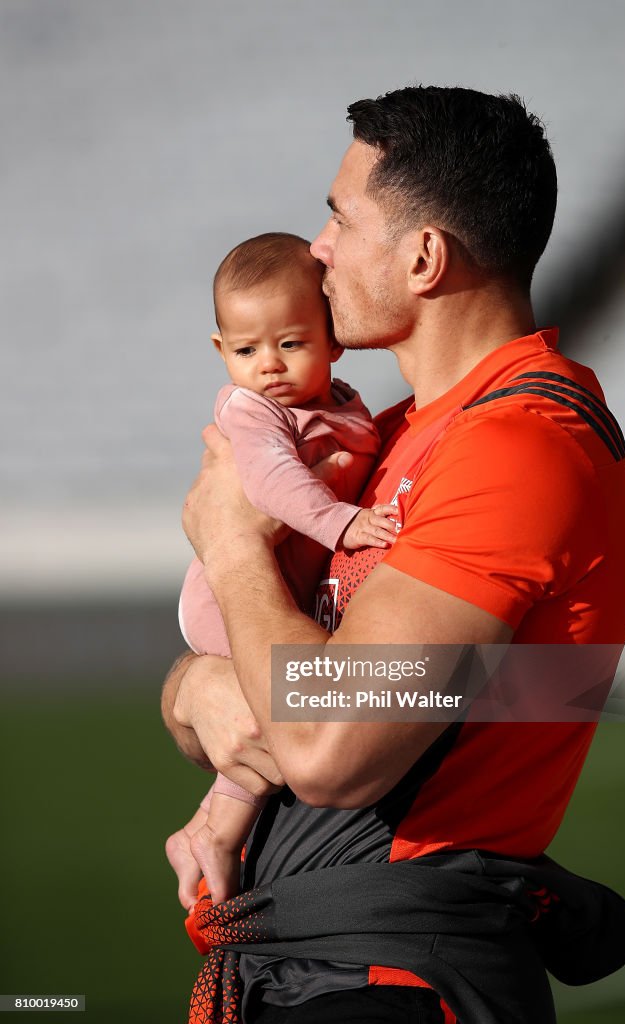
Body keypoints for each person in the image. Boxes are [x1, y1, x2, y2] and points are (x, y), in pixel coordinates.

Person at [163, 86, 625, 1024]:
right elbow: (246, 694)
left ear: (423, 257)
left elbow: (326, 748)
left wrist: (228, 544)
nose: (318, 248)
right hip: (314, 962)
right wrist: (192, 689)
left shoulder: (520, 446)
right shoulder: (396, 433)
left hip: (396, 979)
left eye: (341, 216)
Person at [166, 231, 398, 909]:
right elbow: (267, 487)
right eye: (245, 350)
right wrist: (342, 523)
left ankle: (210, 827)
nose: (267, 364)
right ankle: (213, 827)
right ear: (221, 351)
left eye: (289, 344)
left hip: (275, 586)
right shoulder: (255, 410)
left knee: (264, 714)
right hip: (225, 592)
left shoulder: (342, 405)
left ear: (333, 343)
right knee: (281, 705)